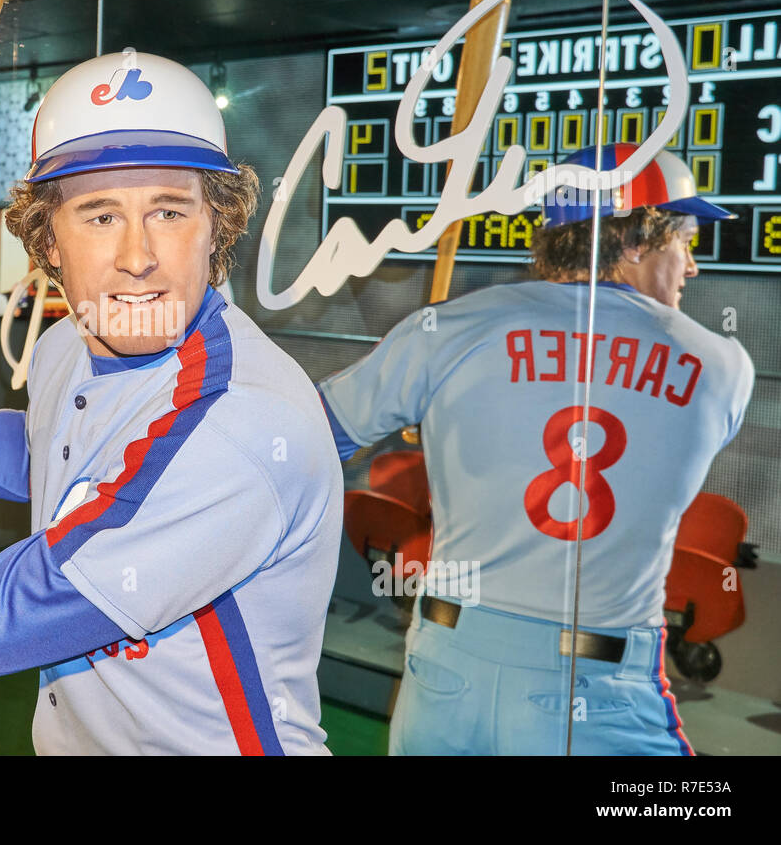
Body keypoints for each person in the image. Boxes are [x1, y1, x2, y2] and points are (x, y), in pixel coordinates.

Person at [0, 51, 343, 755]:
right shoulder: (68, 344)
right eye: (100, 216)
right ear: (48, 237)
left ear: (217, 226)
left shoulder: (239, 423)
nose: (138, 255)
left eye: (169, 211)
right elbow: (64, 456)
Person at [318, 143, 755, 755]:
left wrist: (445, 408)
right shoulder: (722, 366)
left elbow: (306, 438)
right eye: (684, 240)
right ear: (633, 241)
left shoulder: (448, 329)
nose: (692, 265)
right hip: (597, 690)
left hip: (444, 673)